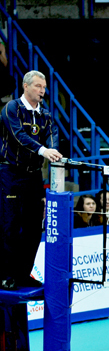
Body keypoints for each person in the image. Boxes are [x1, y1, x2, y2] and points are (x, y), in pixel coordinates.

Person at [0, 70, 63, 290]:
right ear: (25, 86)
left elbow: (52, 136)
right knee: (10, 225)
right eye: (38, 86)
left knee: (34, 228)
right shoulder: (12, 108)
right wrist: (44, 151)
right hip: (11, 173)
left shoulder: (46, 115)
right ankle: (6, 275)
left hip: (34, 175)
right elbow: (19, 136)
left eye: (44, 87)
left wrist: (53, 151)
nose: (42, 90)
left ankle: (23, 274)